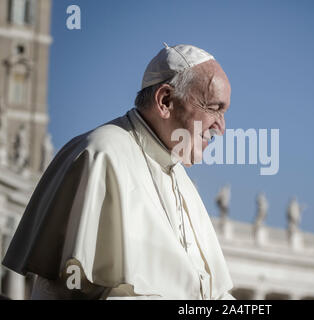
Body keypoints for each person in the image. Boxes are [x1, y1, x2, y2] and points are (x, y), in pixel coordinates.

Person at [2, 43, 235, 300]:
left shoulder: (181, 178)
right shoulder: (100, 155)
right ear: (165, 100)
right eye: (214, 108)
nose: (220, 127)